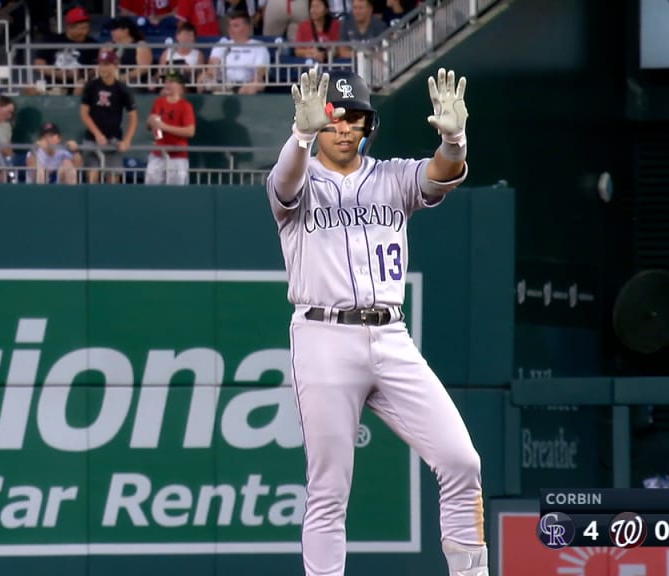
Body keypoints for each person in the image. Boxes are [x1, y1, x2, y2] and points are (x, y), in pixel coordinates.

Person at [265, 67, 487, 576]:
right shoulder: (297, 178)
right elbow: (284, 181)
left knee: (461, 461)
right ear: (318, 125)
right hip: (323, 334)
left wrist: (455, 139)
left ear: (369, 126)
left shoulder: (391, 176)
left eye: (355, 119)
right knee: (329, 488)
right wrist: (299, 137)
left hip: (391, 336)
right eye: (333, 119)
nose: (344, 128)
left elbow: (442, 172)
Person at [80, 48, 138, 184]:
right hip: (92, 138)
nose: (102, 68)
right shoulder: (91, 86)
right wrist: (97, 134)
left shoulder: (123, 89)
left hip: (113, 139)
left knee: (113, 180)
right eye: (100, 64)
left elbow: (133, 117)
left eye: (106, 64)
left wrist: (127, 141)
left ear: (115, 66)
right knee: (91, 179)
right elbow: (84, 114)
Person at [200, 10, 268, 94]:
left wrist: (252, 81)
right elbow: (212, 66)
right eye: (230, 26)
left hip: (245, 83)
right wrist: (211, 76)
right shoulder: (222, 44)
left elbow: (260, 72)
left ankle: (232, 92)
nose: (231, 29)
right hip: (221, 82)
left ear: (247, 28)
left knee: (256, 84)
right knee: (201, 78)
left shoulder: (259, 46)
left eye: (235, 26)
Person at [145, 71, 195, 185]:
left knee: (176, 193)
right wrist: (151, 121)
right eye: (166, 81)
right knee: (151, 190)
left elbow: (190, 131)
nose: (167, 84)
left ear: (181, 87)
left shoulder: (185, 106)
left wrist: (164, 127)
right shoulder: (158, 102)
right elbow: (149, 126)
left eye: (171, 82)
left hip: (177, 155)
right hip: (157, 153)